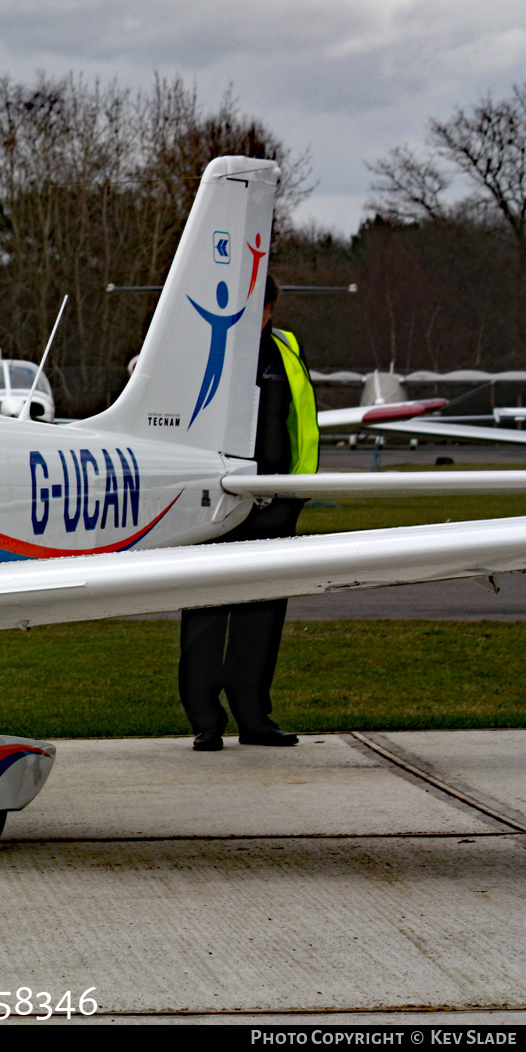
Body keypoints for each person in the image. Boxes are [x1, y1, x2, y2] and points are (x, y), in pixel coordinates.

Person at [179, 276, 318, 751]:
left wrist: (299, 489)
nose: (254, 317)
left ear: (271, 310)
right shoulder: (206, 350)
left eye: (262, 308)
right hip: (215, 502)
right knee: (206, 609)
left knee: (262, 614)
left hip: (277, 501)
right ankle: (205, 720)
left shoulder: (286, 352)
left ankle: (254, 718)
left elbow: (302, 422)